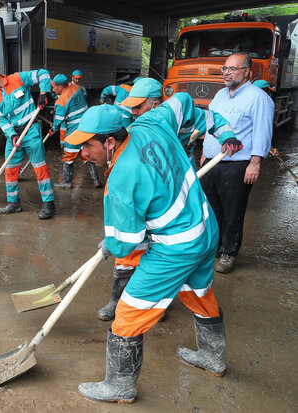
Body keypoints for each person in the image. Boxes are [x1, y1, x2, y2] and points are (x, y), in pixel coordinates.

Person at [67, 104, 227, 404]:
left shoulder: (123, 177)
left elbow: (128, 242)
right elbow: (183, 102)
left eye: (89, 145)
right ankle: (212, 357)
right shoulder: (150, 122)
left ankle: (120, 386)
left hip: (176, 247)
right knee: (198, 292)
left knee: (128, 313)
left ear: (110, 141)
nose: (84, 154)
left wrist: (110, 245)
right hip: (205, 228)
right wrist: (222, 129)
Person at [96, 80, 240, 322]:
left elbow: (211, 118)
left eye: (138, 107)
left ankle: (154, 301)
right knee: (133, 247)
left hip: (174, 180)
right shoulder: (141, 124)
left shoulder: (170, 115)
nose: (133, 112)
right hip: (149, 182)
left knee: (164, 247)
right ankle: (116, 299)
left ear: (155, 104)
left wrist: (227, 135)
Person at [200, 52, 274, 273]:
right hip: (211, 162)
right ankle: (214, 247)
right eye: (225, 69)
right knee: (211, 209)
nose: (226, 73)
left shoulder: (258, 98)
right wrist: (204, 153)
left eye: (232, 69)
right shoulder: (220, 96)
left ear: (247, 72)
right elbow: (210, 124)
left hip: (238, 164)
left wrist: (255, 163)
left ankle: (229, 253)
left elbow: (263, 132)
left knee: (233, 210)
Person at [0, 60, 55, 219]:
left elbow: (43, 73)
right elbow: (2, 120)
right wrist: (11, 135)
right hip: (15, 135)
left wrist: (44, 93)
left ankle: (49, 203)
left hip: (31, 129)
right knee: (10, 169)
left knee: (39, 167)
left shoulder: (17, 79)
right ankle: (14, 203)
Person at [49, 74, 100, 188]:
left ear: (60, 87)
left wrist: (53, 129)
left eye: (54, 87)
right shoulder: (77, 88)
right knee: (86, 153)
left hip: (75, 128)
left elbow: (59, 119)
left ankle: (67, 182)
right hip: (86, 125)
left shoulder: (62, 100)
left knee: (68, 154)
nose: (53, 90)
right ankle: (96, 180)